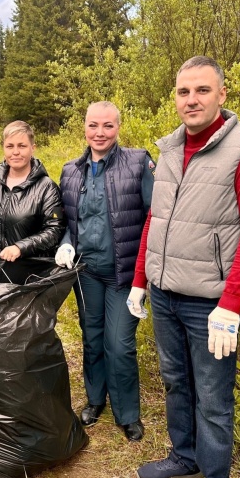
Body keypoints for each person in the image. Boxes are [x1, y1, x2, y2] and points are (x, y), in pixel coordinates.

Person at [128, 56, 240, 478]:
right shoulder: (169, 149)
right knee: (175, 382)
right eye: (183, 91)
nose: (191, 100)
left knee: (213, 399)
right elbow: (156, 219)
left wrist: (231, 304)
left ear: (222, 94)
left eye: (201, 91)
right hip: (166, 294)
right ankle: (184, 456)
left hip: (209, 305)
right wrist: (140, 280)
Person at [55, 101, 155, 442]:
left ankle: (127, 413)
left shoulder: (138, 163)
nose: (100, 133)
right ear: (84, 127)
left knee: (120, 344)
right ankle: (95, 400)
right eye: (94, 125)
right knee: (92, 338)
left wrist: (144, 277)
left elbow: (153, 218)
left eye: (108, 126)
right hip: (87, 273)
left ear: (118, 127)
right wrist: (67, 242)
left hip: (124, 275)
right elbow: (69, 221)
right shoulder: (70, 170)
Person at [0, 120, 65, 260]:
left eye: (22, 146)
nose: (15, 152)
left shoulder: (47, 188)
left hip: (31, 271)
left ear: (33, 148)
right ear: (3, 148)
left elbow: (55, 230)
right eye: (10, 146)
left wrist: (20, 247)